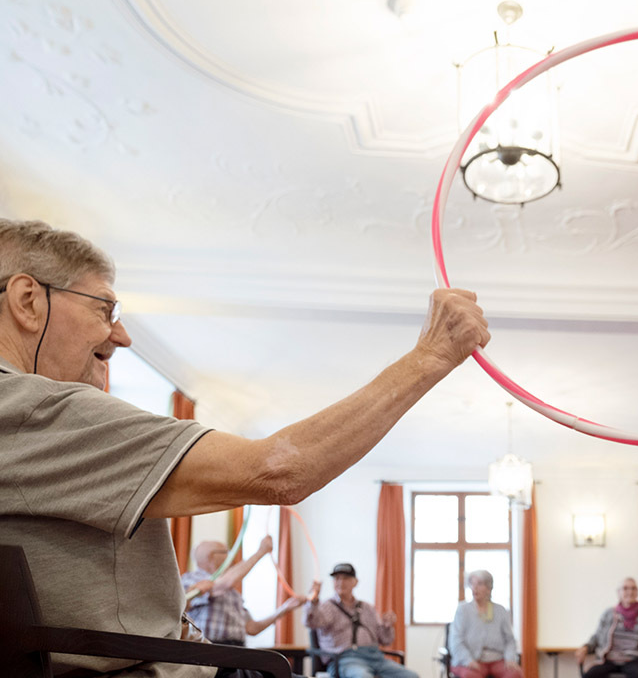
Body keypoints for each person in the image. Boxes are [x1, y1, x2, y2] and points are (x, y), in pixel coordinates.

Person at [0, 218, 489, 677]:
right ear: (28, 302)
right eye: (104, 308)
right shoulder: (34, 409)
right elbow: (280, 471)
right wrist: (431, 355)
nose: (122, 335)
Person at [181, 535, 315, 649]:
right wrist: (260, 552)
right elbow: (220, 585)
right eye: (227, 552)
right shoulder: (191, 580)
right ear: (212, 556)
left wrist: (285, 608)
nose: (231, 557)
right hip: (208, 650)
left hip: (237, 650)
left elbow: (252, 628)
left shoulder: (232, 593)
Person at [304, 563, 415, 678]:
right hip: (345, 659)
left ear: (355, 582)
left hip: (375, 657)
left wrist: (387, 626)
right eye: (337, 578)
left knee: (411, 676)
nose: (341, 582)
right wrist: (313, 602)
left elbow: (386, 640)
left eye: (346, 578)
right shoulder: (327, 606)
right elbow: (311, 622)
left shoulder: (368, 608)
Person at [576, 578, 638, 678]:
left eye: (633, 588)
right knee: (590, 675)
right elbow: (597, 637)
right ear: (618, 593)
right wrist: (586, 647)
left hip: (634, 659)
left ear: (637, 592)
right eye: (625, 588)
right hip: (609, 660)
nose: (630, 592)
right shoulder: (608, 614)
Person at [448, 570, 522, 678]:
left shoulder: (500, 610)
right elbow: (456, 640)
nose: (475, 588)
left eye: (479, 584)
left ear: (489, 588)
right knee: (471, 676)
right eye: (472, 584)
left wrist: (510, 658)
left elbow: (509, 640)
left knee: (515, 674)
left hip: (497, 659)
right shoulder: (463, 610)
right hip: (471, 660)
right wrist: (468, 660)